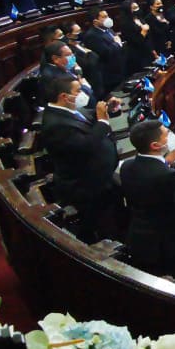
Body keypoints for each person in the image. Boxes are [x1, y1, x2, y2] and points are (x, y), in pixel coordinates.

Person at [40, 77, 119, 242]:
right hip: (85, 187)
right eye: (78, 91)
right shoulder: (55, 124)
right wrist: (103, 121)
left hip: (100, 180)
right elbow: (86, 146)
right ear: (63, 96)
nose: (82, 94)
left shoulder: (67, 110)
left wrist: (108, 109)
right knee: (97, 224)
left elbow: (85, 117)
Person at [118, 119, 175, 277]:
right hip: (166, 243)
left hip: (137, 235)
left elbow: (149, 179)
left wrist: (166, 162)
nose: (170, 136)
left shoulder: (127, 166)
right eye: (166, 134)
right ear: (155, 145)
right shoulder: (170, 177)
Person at [80, 8, 124, 98]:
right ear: (95, 21)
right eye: (104, 17)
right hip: (108, 75)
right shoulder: (91, 35)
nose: (108, 18)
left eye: (107, 16)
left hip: (119, 69)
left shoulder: (108, 29)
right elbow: (105, 53)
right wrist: (117, 43)